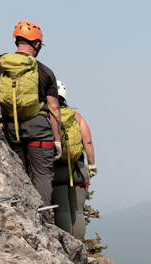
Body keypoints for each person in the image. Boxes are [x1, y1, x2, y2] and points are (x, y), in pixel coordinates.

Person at [0, 20, 62, 218]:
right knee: (41, 176)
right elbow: (54, 108)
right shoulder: (45, 71)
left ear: (17, 40)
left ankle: (20, 215)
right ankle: (43, 220)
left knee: (19, 174)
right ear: (37, 44)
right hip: (39, 131)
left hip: (11, 129)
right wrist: (56, 141)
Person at [51, 80, 96, 238]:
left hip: (56, 168)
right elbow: (87, 141)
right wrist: (91, 164)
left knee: (61, 208)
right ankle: (78, 248)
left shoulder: (47, 114)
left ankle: (66, 248)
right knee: (77, 211)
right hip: (78, 168)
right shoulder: (76, 117)